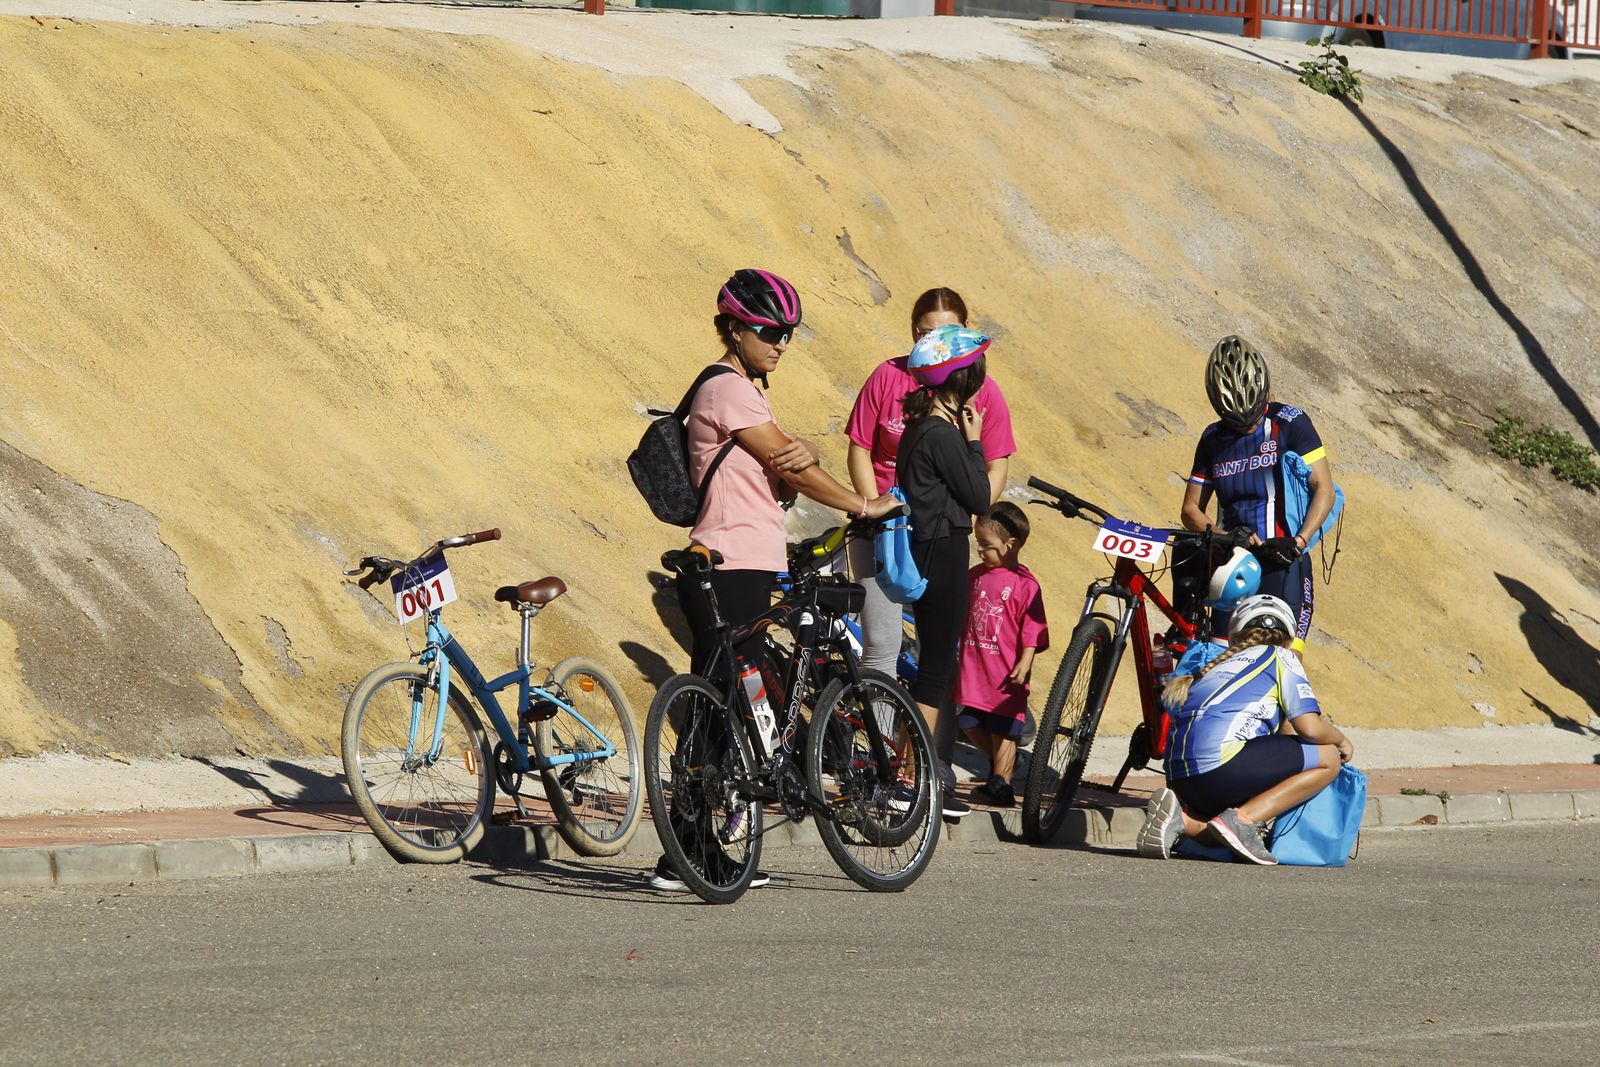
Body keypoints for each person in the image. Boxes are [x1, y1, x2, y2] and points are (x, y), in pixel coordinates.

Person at [651, 268, 899, 892]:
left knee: (728, 709)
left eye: (788, 332)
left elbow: (788, 467)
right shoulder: (727, 387)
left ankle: (694, 852)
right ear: (734, 327)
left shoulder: (747, 391)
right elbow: (797, 471)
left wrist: (801, 453)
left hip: (750, 562)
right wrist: (861, 505)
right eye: (768, 330)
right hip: (727, 564)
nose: (780, 342)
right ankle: (686, 857)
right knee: (717, 711)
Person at [844, 288, 1016, 681]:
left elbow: (997, 462)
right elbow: (860, 448)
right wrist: (877, 511)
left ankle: (917, 742)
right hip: (885, 527)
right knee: (882, 645)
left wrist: (978, 502)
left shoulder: (983, 389)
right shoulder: (888, 375)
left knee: (936, 654)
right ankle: (880, 739)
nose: (935, 344)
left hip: (938, 530)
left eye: (946, 333)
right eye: (924, 335)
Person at [1135, 594, 1354, 865]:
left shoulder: (1213, 667)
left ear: (1236, 634)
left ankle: (1182, 820)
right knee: (1327, 757)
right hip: (1223, 769)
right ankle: (1243, 820)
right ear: (1287, 637)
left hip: (1181, 780)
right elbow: (1309, 727)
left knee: (1220, 827)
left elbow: (1285, 735)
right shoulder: (1280, 656)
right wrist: (1342, 741)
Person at [1179, 336, 1335, 653]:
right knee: (1218, 671)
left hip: (1284, 563)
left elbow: (1325, 490)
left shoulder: (1291, 422)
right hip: (1235, 569)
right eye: (1236, 422)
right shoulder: (1212, 439)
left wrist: (1299, 541)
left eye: (1253, 415)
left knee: (1282, 668)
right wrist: (1224, 536)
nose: (1247, 427)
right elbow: (1190, 510)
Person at [896, 323, 995, 819]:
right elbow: (980, 499)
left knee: (933, 665)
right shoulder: (944, 435)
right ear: (962, 381)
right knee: (936, 668)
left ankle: (905, 767)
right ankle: (908, 775)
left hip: (925, 548)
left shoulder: (920, 427)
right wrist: (975, 443)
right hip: (943, 549)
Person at [954, 502, 1048, 808]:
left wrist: (1026, 659)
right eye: (978, 544)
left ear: (1011, 545)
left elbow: (1033, 626)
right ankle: (1003, 762)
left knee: (1002, 727)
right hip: (974, 670)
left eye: (987, 545)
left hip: (1006, 673)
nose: (980, 551)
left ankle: (1001, 785)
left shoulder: (1026, 584)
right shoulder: (974, 576)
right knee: (969, 723)